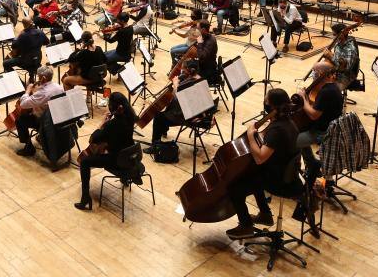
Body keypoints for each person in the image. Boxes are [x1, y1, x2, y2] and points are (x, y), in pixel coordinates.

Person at [226, 88, 298, 239]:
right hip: (286, 172)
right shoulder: (288, 122)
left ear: (273, 108)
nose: (264, 105)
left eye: (266, 102)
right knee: (252, 173)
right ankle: (265, 215)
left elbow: (260, 158)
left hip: (278, 180)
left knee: (235, 187)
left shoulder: (277, 130)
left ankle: (245, 226)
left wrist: (251, 135)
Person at [74, 92, 137, 210]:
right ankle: (125, 179)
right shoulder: (131, 117)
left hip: (117, 160)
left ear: (113, 108)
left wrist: (102, 122)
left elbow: (93, 139)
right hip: (130, 156)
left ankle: (85, 198)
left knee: (85, 162)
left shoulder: (111, 125)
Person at [143, 60, 209, 152]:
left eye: (183, 69)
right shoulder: (199, 78)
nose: (181, 71)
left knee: (158, 117)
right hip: (196, 112)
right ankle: (164, 128)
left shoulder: (190, 83)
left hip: (188, 116)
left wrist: (175, 85)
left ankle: (154, 146)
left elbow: (179, 99)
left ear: (189, 70)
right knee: (167, 110)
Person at [296, 62, 344, 181]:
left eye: (314, 72)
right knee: (301, 131)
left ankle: (292, 174)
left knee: (291, 142)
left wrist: (303, 100)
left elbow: (313, 115)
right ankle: (312, 163)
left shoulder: (325, 92)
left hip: (323, 133)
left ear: (322, 74)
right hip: (331, 129)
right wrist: (307, 99)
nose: (313, 74)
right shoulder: (334, 87)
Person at [15, 66, 64, 157]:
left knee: (20, 120)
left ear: (43, 78)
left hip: (45, 122)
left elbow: (23, 104)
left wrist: (28, 90)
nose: (38, 79)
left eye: (38, 77)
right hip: (58, 118)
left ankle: (29, 148)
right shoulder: (58, 87)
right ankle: (41, 137)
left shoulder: (43, 93)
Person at [323, 23, 360, 91]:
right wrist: (330, 55)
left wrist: (331, 57)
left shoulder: (350, 49)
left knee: (332, 91)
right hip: (336, 69)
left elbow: (346, 68)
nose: (333, 37)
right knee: (316, 67)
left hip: (346, 76)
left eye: (334, 35)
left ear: (342, 34)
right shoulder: (338, 42)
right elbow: (338, 57)